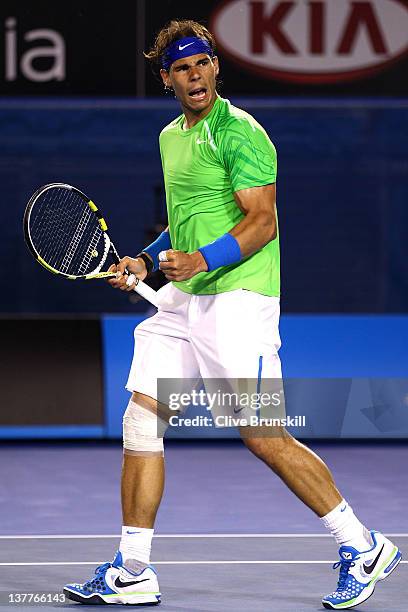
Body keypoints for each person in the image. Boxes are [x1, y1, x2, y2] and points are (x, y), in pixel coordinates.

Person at [63, 19, 401, 610]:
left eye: (201, 65)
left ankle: (363, 544)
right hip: (183, 301)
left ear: (216, 67)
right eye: (180, 69)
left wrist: (200, 259)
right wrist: (146, 261)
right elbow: (189, 216)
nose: (193, 76)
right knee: (142, 422)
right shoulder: (171, 136)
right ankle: (134, 569)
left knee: (263, 434)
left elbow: (262, 222)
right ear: (166, 79)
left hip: (239, 301)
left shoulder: (241, 132)